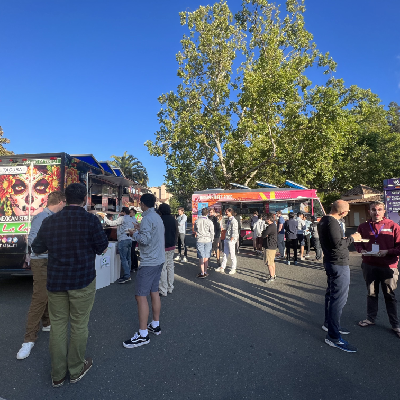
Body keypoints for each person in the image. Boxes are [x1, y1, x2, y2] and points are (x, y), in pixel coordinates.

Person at [31, 183, 108, 387]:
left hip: (56, 281)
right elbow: (102, 247)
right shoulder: (91, 220)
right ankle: (75, 369)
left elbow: (37, 247)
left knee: (57, 326)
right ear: (84, 199)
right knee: (79, 324)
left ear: (66, 198)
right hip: (82, 281)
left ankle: (57, 374)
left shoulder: (50, 221)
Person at [16, 191, 66, 360]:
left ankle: (46, 323)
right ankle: (28, 339)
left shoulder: (49, 216)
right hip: (41, 261)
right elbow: (32, 240)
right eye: (64, 203)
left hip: (49, 260)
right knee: (40, 297)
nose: (65, 206)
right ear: (59, 202)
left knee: (48, 293)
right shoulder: (42, 217)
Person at [318, 200, 361, 353]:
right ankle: (333, 337)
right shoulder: (332, 222)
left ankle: (329, 324)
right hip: (338, 264)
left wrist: (344, 240)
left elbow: (333, 242)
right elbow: (337, 244)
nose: (348, 213)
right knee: (338, 299)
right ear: (342, 212)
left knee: (331, 295)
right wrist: (353, 238)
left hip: (331, 261)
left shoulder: (323, 220)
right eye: (347, 211)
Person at [123, 193, 165, 349]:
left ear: (142, 204)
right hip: (158, 259)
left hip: (149, 261)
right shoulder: (156, 217)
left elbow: (145, 240)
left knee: (140, 296)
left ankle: (142, 335)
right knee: (154, 291)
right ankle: (155, 324)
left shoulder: (147, 218)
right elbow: (153, 235)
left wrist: (135, 233)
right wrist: (140, 229)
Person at [354, 201, 400, 337]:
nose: (376, 212)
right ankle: (370, 318)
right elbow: (357, 242)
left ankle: (395, 325)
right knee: (371, 293)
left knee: (390, 296)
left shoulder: (393, 226)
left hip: (388, 266)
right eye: (373, 209)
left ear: (384, 211)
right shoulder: (363, 227)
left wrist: (388, 251)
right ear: (369, 211)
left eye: (379, 209)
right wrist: (361, 250)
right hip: (369, 265)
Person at [100, 207, 134, 284]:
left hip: (123, 239)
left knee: (123, 258)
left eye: (121, 212)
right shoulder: (131, 218)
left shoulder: (122, 218)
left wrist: (104, 217)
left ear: (123, 212)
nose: (119, 213)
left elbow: (111, 223)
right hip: (129, 239)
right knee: (128, 258)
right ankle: (128, 273)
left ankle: (127, 275)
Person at [158, 203, 178, 296]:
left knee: (163, 267)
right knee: (170, 266)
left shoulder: (160, 219)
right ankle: (170, 287)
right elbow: (176, 232)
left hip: (163, 246)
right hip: (172, 245)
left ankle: (163, 289)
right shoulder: (173, 219)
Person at [216, 208, 239, 275]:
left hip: (230, 240)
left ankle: (233, 268)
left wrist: (232, 239)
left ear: (230, 212)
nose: (225, 213)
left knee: (232, 255)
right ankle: (222, 267)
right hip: (227, 238)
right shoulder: (229, 220)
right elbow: (229, 229)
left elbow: (235, 231)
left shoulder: (234, 221)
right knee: (225, 254)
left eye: (227, 212)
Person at [194, 207, 214, 278]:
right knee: (206, 256)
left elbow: (195, 229)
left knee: (201, 257)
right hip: (208, 240)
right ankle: (205, 271)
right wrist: (212, 239)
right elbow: (212, 232)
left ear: (201, 213)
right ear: (207, 213)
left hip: (200, 239)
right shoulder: (210, 222)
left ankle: (202, 273)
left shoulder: (197, 221)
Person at [262, 213, 278, 283]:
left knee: (269, 263)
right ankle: (273, 274)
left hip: (269, 246)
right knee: (272, 261)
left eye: (266, 218)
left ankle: (271, 276)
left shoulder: (270, 227)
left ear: (268, 219)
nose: (265, 220)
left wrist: (265, 233)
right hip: (273, 245)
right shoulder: (273, 226)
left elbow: (264, 234)